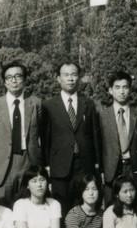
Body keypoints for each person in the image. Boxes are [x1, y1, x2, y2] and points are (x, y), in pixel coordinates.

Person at [39, 61, 102, 205]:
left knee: (84, 205)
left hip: (84, 163)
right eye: (66, 75)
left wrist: (97, 164)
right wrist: (46, 165)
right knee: (61, 206)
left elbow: (95, 136)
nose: (70, 78)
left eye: (74, 74)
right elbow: (45, 138)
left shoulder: (88, 104)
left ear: (79, 78)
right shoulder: (49, 106)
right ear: (58, 78)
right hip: (59, 165)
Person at [0, 61, 42, 206]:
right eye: (9, 77)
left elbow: (40, 131)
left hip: (28, 160)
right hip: (4, 163)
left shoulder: (36, 103)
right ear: (4, 82)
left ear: (25, 79)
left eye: (18, 76)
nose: (14, 80)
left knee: (28, 206)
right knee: (3, 206)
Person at [98, 70, 137, 204]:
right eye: (117, 88)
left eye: (125, 87)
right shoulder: (102, 116)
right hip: (111, 168)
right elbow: (99, 145)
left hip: (133, 167)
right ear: (110, 90)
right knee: (111, 206)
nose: (122, 91)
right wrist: (100, 170)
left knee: (134, 205)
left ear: (130, 89)